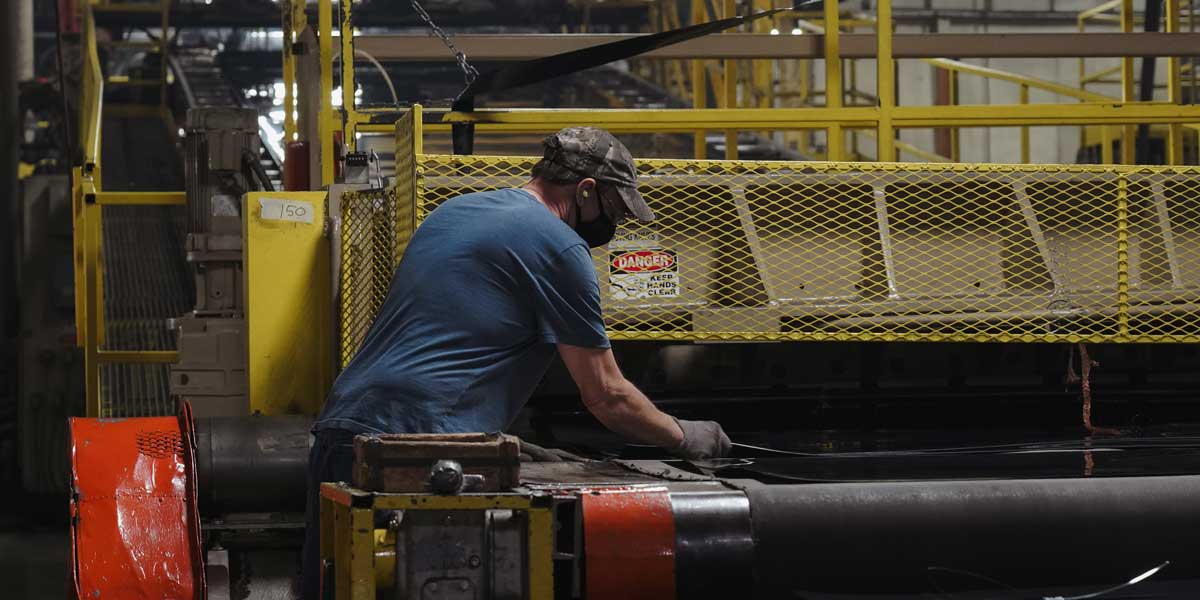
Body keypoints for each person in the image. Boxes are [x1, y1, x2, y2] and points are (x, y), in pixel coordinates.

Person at [300, 127, 731, 599]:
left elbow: (449, 338)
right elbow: (607, 395)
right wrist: (685, 436)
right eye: (613, 208)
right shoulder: (560, 247)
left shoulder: (455, 211)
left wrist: (499, 441)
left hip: (345, 422)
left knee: (332, 585)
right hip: (418, 444)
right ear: (586, 190)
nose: (615, 224)